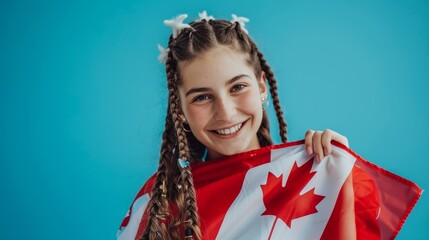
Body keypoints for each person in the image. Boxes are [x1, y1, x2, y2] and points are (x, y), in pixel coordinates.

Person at [118, 12, 349, 240]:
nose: (226, 113)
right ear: (180, 111)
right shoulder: (160, 208)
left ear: (261, 88)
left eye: (238, 87)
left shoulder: (314, 177)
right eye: (201, 97)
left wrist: (339, 177)